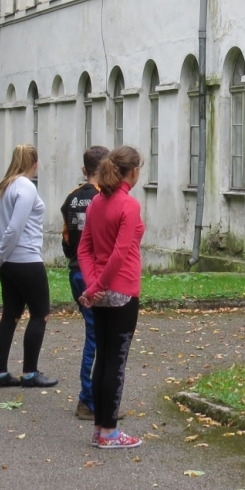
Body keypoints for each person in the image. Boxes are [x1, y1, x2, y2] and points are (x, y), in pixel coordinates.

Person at [77, 145, 145, 449]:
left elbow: (84, 249)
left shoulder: (96, 203)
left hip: (101, 291)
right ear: (133, 172)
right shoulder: (128, 205)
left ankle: (98, 428)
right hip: (122, 290)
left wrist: (92, 285)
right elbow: (119, 254)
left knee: (102, 358)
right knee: (116, 362)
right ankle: (109, 432)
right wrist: (98, 286)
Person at [0, 144, 58, 390]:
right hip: (26, 259)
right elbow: (15, 227)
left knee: (10, 315)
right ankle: (29, 373)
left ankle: (0, 372)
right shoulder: (26, 187)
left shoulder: (1, 188)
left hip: (8, 264)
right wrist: (0, 256)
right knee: (40, 313)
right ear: (34, 163)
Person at [61, 145, 110, 419]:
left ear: (84, 170)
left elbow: (66, 238)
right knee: (95, 336)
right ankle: (87, 399)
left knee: (94, 333)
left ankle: (92, 397)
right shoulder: (103, 199)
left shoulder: (72, 197)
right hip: (93, 272)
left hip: (75, 271)